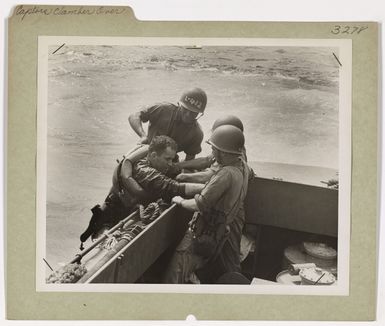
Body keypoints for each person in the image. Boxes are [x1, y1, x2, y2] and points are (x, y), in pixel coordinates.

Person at [162, 125, 249, 284]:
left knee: (177, 268)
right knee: (196, 265)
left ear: (223, 152)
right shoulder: (243, 167)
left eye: (214, 149)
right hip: (218, 234)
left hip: (202, 232)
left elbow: (199, 205)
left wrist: (180, 201)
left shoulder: (225, 174)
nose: (213, 153)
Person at [80, 136, 205, 244]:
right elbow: (175, 188)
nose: (170, 163)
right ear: (154, 155)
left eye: (172, 159)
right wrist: (208, 188)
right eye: (167, 159)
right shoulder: (145, 171)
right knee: (108, 241)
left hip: (129, 207)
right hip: (114, 215)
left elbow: (176, 169)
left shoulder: (155, 161)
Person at [128, 88, 207, 161]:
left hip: (169, 161)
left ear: (199, 113)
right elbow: (134, 116)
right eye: (185, 109)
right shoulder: (163, 109)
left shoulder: (197, 133)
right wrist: (143, 136)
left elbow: (189, 159)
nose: (188, 115)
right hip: (147, 152)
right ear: (180, 105)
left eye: (193, 113)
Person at [175, 115, 253, 183]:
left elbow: (213, 176)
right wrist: (178, 165)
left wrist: (184, 176)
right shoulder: (231, 149)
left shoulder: (232, 157)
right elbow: (207, 160)